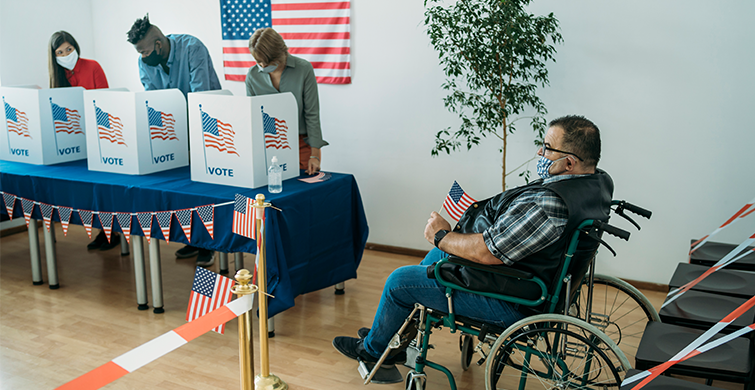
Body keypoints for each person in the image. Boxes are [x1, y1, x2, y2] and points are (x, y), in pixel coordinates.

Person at [332, 115, 614, 366]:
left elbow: (488, 253)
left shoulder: (550, 205)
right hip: (527, 279)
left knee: (400, 281)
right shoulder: (595, 183)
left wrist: (442, 236)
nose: (540, 152)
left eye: (547, 148)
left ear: (569, 162)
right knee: (435, 261)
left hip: (516, 300)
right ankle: (391, 333)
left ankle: (372, 351)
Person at [126, 14, 221, 266]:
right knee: (182, 188)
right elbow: (153, 98)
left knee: (204, 189)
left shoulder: (192, 47)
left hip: (205, 123)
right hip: (174, 127)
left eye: (145, 52)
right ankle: (193, 239)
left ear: (158, 45)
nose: (143, 58)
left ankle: (209, 245)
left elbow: (200, 95)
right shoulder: (143, 61)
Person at [49, 31, 117, 251]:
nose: (66, 54)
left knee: (102, 187)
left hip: (98, 135)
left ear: (76, 47)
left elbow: (106, 101)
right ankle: (101, 231)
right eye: (60, 52)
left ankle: (113, 232)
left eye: (69, 49)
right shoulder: (57, 76)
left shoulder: (92, 66)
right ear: (54, 56)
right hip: (74, 138)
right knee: (86, 189)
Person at [245, 28, 328, 175]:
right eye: (259, 62)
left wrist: (315, 154)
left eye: (268, 62)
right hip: (267, 145)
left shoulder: (303, 69)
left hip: (301, 143)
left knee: (303, 190)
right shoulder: (252, 76)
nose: (263, 66)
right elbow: (252, 117)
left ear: (280, 54)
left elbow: (312, 114)